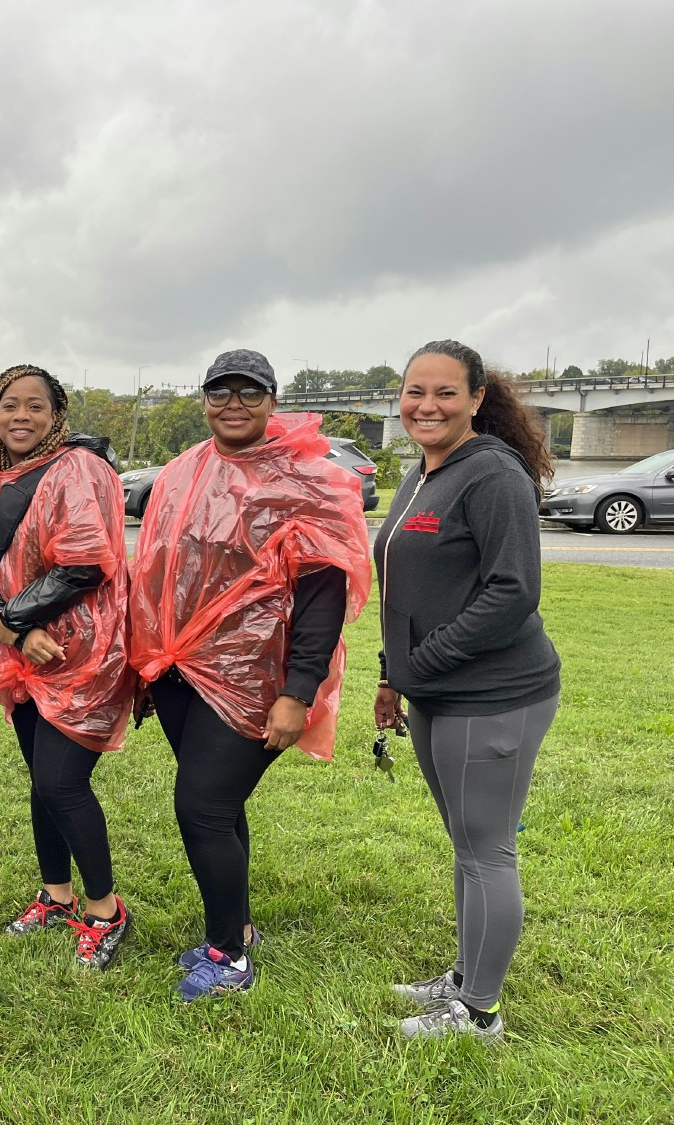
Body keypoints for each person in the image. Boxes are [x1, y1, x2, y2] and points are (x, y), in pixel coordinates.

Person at [128, 349, 371, 1002]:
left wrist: (298, 692)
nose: (233, 402)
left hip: (253, 679)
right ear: (204, 397)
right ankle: (233, 925)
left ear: (272, 399)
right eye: (220, 390)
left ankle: (228, 957)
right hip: (179, 670)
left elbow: (323, 595)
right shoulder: (183, 471)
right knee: (220, 803)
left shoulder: (303, 478)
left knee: (201, 805)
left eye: (249, 391)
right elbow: (156, 568)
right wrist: (146, 663)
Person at [374, 339, 560, 1041]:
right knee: (467, 843)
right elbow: (408, 587)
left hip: (495, 691)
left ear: (478, 398)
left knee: (487, 848)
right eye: (415, 391)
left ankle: (479, 1011)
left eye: (445, 392)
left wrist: (425, 664)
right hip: (434, 690)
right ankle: (466, 973)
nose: (427, 405)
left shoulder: (493, 475)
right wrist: (395, 675)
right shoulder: (425, 471)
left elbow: (512, 592)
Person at [0, 364, 135, 969]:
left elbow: (84, 563)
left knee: (61, 781)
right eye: (9, 406)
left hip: (82, 653)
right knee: (41, 780)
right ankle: (55, 894)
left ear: (57, 417)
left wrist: (11, 622)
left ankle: (106, 911)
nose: (21, 417)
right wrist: (12, 627)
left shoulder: (81, 470)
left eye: (36, 406)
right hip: (24, 654)